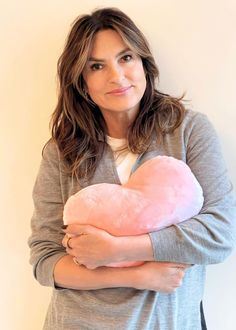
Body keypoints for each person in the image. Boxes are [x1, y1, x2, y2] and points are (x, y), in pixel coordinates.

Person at [28, 7, 236, 330]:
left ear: (144, 63)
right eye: (97, 66)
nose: (117, 76)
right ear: (82, 82)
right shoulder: (61, 152)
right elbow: (44, 259)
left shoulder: (188, 131)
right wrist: (134, 274)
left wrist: (118, 249)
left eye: (126, 58)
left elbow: (220, 234)